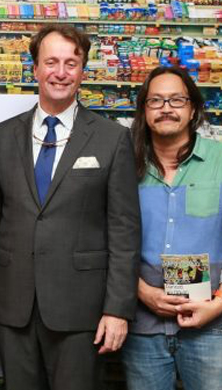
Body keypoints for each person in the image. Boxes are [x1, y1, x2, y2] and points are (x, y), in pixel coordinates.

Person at [0, 24, 141, 390]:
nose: (61, 72)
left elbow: (124, 232)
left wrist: (117, 309)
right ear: (35, 68)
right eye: (51, 62)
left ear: (83, 71)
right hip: (13, 306)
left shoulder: (112, 138)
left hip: (81, 308)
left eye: (71, 63)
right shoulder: (2, 136)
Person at [122, 66, 222, 390]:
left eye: (176, 100)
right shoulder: (124, 165)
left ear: (193, 109)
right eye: (156, 100)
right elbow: (106, 238)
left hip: (212, 328)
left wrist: (217, 306)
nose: (166, 108)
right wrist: (142, 292)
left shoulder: (219, 160)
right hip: (142, 327)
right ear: (143, 110)